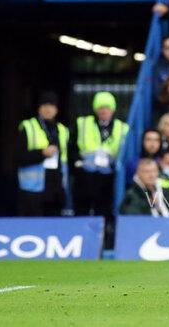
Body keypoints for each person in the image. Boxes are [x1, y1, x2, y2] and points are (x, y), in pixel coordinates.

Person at [72, 92, 129, 236]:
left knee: (104, 213)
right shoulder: (82, 123)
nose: (104, 111)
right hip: (85, 177)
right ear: (96, 109)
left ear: (113, 110)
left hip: (107, 179)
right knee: (81, 213)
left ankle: (102, 243)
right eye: (101, 107)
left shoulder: (123, 128)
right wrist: (77, 167)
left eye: (107, 107)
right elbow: (71, 147)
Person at [16, 92, 69, 217]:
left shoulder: (63, 130)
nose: (48, 109)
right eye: (44, 105)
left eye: (51, 105)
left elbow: (65, 159)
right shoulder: (28, 127)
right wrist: (41, 153)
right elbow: (18, 157)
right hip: (33, 190)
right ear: (39, 108)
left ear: (56, 109)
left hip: (56, 189)